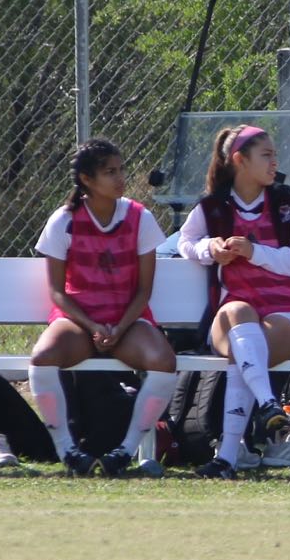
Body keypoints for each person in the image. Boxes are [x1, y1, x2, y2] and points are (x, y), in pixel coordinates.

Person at [176, 123, 290, 479]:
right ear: (239, 160)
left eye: (275, 154)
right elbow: (186, 242)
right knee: (239, 315)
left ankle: (229, 456)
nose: (275, 161)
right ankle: (268, 408)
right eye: (266, 155)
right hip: (237, 314)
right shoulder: (213, 208)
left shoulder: (288, 204)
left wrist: (256, 251)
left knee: (247, 352)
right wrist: (210, 249)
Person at [30, 137, 179, 478]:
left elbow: (143, 291)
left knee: (164, 360)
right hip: (79, 322)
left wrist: (120, 328)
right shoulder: (63, 220)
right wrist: (93, 326)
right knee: (42, 357)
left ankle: (124, 453)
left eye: (120, 170)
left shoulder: (139, 217)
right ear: (86, 179)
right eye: (109, 172)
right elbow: (57, 292)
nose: (119, 178)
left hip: (127, 322)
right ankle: (68, 452)